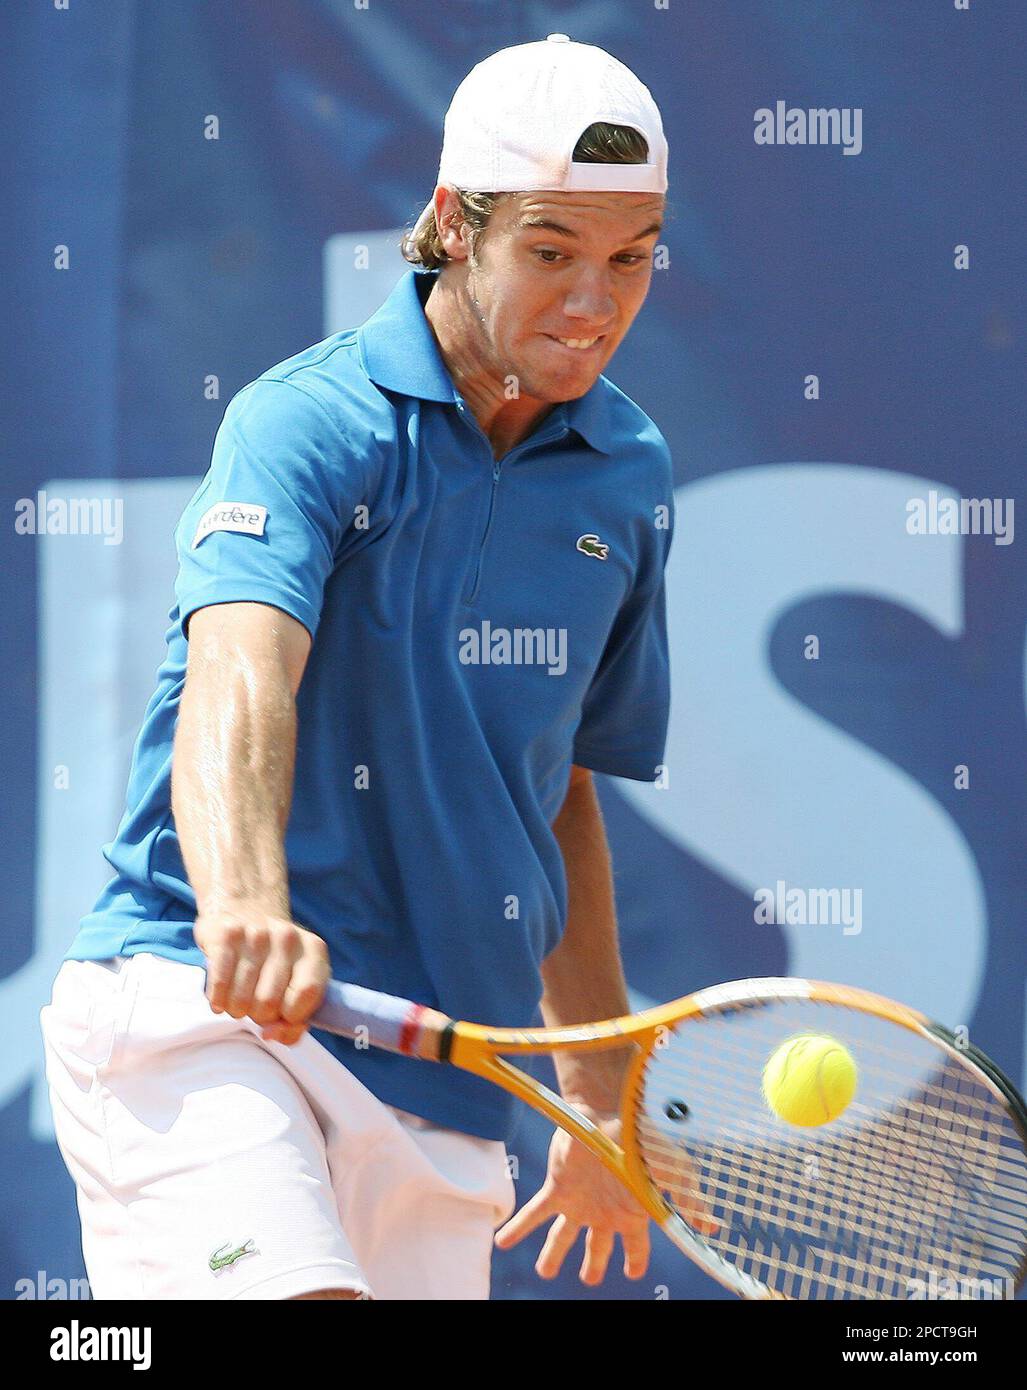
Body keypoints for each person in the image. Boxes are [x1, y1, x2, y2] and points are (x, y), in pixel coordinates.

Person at [41, 34, 674, 1301]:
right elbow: (240, 672)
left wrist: (600, 1093)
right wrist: (245, 903)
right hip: (210, 1021)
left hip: (440, 1083)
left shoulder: (630, 475)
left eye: (628, 258)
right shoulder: (307, 420)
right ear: (452, 226)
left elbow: (558, 791)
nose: (593, 301)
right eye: (550, 251)